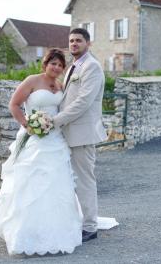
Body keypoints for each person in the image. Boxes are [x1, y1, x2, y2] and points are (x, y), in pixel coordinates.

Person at [0, 49, 83, 255]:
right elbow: (14, 105)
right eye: (53, 63)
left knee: (56, 181)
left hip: (54, 139)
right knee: (31, 182)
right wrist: (27, 125)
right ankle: (25, 231)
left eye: (60, 65)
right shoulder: (32, 80)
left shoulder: (60, 85)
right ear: (45, 64)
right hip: (34, 138)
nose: (56, 67)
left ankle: (57, 229)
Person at [53, 28, 108, 242]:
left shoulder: (92, 67)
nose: (74, 44)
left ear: (88, 43)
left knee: (85, 181)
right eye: (71, 41)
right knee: (71, 180)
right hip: (68, 132)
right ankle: (78, 220)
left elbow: (83, 102)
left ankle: (90, 227)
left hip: (83, 133)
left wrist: (55, 121)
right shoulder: (72, 67)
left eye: (78, 40)